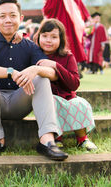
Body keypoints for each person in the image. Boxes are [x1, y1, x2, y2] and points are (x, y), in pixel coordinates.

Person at [0, 0, 68, 161]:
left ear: (20, 18)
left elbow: (54, 73)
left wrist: (36, 69)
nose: (8, 20)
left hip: (20, 101)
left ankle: (47, 140)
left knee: (42, 77)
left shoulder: (30, 46)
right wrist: (11, 72)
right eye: (2, 16)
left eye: (13, 15)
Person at [33, 18, 97, 150]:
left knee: (79, 104)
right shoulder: (34, 55)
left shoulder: (67, 56)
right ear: (38, 36)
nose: (48, 40)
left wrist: (56, 66)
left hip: (67, 96)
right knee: (52, 102)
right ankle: (57, 137)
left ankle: (82, 139)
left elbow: (74, 84)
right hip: (45, 97)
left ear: (61, 39)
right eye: (44, 36)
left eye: (54, 37)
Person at [42, 0, 90, 64]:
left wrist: (44, 6)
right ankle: (75, 68)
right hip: (75, 25)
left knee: (62, 45)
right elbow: (82, 8)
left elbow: (48, 10)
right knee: (74, 45)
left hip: (60, 24)